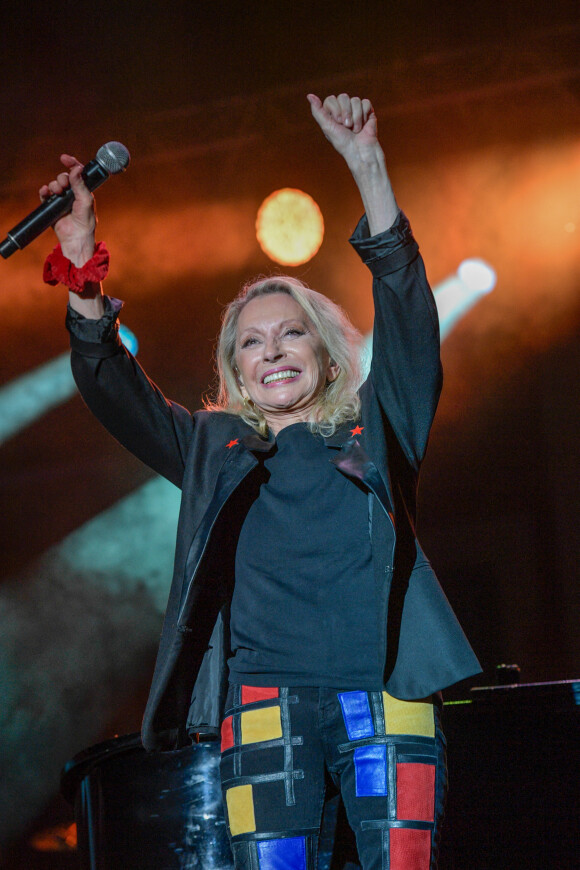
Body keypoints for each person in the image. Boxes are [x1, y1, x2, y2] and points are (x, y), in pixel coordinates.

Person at [41, 93, 481, 870]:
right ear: (236, 371)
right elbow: (111, 381)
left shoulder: (380, 426)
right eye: (251, 342)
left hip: (389, 696)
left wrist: (367, 167)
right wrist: (80, 258)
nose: (272, 350)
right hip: (263, 706)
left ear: (326, 351)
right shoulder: (212, 445)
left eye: (290, 333)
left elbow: (409, 314)